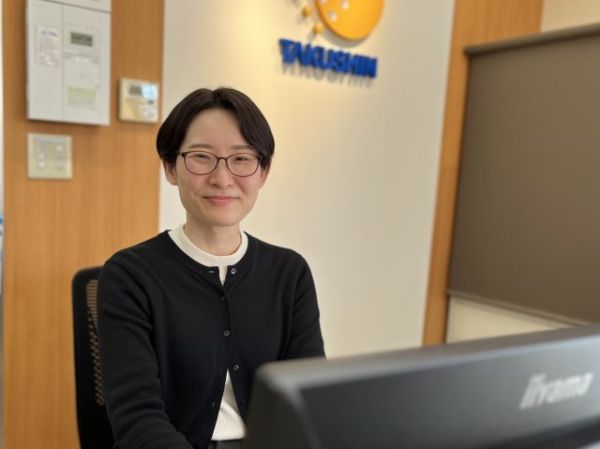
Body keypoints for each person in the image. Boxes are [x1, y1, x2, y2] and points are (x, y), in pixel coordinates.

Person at [98, 87, 325, 449]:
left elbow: (307, 403)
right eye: (202, 157)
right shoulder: (130, 276)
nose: (222, 178)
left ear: (263, 172)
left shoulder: (289, 273)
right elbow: (138, 419)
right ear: (170, 167)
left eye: (242, 158)